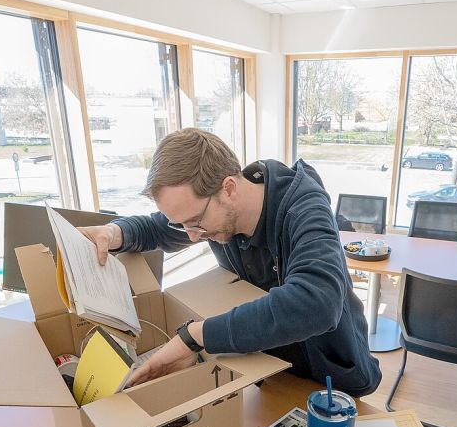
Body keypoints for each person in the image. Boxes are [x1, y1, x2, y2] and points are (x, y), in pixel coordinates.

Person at [79, 128, 381, 397]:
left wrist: (197, 336)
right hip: (271, 370)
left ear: (229, 188)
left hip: (330, 377)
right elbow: (157, 228)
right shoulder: (212, 211)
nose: (193, 236)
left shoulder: (304, 209)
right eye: (183, 224)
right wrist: (113, 232)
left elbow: (317, 302)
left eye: (195, 221)